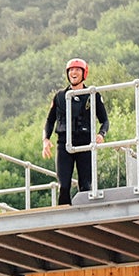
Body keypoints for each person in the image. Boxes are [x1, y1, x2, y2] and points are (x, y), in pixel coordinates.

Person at [42, 57, 109, 205]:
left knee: (85, 186)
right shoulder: (60, 96)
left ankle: (85, 216)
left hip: (85, 143)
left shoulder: (93, 95)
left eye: (77, 70)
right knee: (64, 186)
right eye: (71, 70)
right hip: (64, 144)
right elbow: (50, 120)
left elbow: (104, 120)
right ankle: (63, 216)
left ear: (84, 73)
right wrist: (45, 140)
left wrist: (101, 134)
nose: (74, 72)